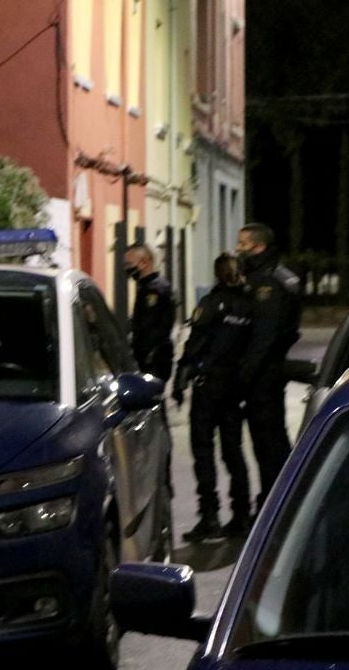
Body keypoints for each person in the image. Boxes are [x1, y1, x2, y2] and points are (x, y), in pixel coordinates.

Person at [173, 254, 254, 542]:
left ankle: (209, 517)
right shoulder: (250, 305)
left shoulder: (210, 304)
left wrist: (181, 379)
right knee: (233, 450)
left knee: (203, 449)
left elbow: (195, 343)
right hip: (235, 387)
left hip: (209, 386)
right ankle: (242, 514)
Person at [236, 222, 301, 508]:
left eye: (242, 244)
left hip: (264, 375)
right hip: (271, 371)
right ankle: (280, 497)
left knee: (267, 441)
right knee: (273, 437)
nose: (238, 249)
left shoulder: (268, 283)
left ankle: (274, 502)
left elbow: (264, 335)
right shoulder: (281, 276)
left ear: (258, 246)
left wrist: (245, 375)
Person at [123, 243, 176, 382]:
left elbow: (151, 329)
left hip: (154, 359)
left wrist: (143, 353)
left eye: (129, 264)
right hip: (150, 358)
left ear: (144, 263)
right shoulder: (147, 287)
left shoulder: (155, 290)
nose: (127, 268)